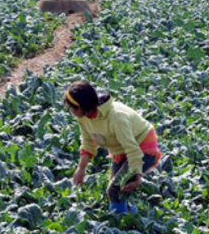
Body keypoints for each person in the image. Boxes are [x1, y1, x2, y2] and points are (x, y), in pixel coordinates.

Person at [65, 81, 163, 214]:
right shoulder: (83, 117)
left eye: (72, 108)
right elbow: (88, 142)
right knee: (118, 188)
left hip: (142, 147)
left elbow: (133, 150)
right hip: (121, 148)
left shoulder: (116, 117)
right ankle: (131, 216)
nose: (71, 111)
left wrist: (136, 177)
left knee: (114, 190)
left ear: (81, 106)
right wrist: (81, 168)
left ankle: (120, 225)